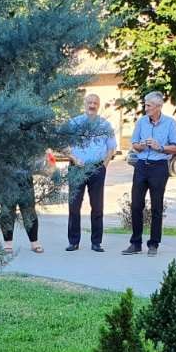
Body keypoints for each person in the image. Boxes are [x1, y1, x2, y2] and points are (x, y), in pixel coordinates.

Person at [124, 91, 176, 256]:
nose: (146, 108)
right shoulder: (141, 122)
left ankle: (154, 244)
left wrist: (160, 147)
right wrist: (141, 145)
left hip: (159, 167)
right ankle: (135, 243)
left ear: (158, 106)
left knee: (156, 206)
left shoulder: (170, 123)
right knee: (136, 205)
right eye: (145, 105)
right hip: (141, 165)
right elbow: (134, 144)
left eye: (148, 105)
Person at [65, 93, 116, 252]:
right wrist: (74, 158)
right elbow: (62, 145)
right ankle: (73, 242)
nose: (92, 105)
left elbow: (111, 148)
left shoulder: (105, 125)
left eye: (95, 103)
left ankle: (96, 242)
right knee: (74, 206)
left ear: (98, 106)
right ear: (84, 103)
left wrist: (104, 165)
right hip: (77, 169)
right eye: (89, 102)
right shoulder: (74, 123)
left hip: (97, 169)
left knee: (97, 207)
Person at [0, 168, 42, 254]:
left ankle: (34, 242)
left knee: (29, 211)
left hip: (25, 176)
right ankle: (8, 244)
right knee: (7, 211)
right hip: (6, 176)